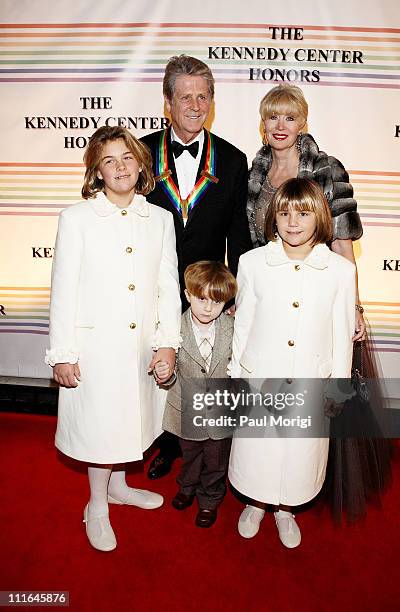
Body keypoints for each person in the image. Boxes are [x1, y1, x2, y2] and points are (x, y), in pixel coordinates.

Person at [45, 126, 181, 552]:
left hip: (140, 346)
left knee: (129, 424)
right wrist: (62, 353)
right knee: (102, 428)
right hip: (95, 349)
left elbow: (167, 286)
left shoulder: (159, 218)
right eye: (109, 160)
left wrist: (168, 343)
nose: (120, 167)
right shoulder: (77, 218)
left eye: (127, 157)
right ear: (96, 172)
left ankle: (119, 487)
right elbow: (63, 289)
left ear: (141, 163)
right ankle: (97, 504)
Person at [228, 178, 356, 548]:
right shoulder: (252, 263)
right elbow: (245, 323)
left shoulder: (340, 271)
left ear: (319, 217)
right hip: (260, 376)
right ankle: (255, 502)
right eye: (284, 213)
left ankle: (287, 510)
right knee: (259, 449)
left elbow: (341, 334)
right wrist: (237, 375)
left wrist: (338, 386)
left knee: (300, 452)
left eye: (302, 213)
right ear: (273, 217)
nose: (293, 222)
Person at [141, 54, 252, 479]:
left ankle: (202, 459)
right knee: (159, 367)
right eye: (185, 97)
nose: (194, 106)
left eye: (203, 96)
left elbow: (239, 236)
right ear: (168, 101)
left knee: (200, 370)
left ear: (212, 101)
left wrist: (236, 294)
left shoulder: (233, 159)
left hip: (206, 293)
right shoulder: (141, 151)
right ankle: (162, 441)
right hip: (151, 285)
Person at [246, 84, 365, 340]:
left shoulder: (326, 171)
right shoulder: (253, 177)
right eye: (273, 117)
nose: (280, 127)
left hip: (316, 294)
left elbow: (343, 248)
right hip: (268, 297)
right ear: (263, 124)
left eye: (290, 118)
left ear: (302, 124)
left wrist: (353, 306)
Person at [156, 261, 237, 528]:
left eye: (216, 301)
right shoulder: (172, 329)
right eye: (201, 299)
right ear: (187, 295)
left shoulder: (234, 328)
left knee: (216, 460)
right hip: (187, 409)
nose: (208, 307)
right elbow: (170, 371)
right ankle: (186, 486)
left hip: (222, 410)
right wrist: (165, 373)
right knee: (189, 455)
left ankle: (210, 498)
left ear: (226, 302)